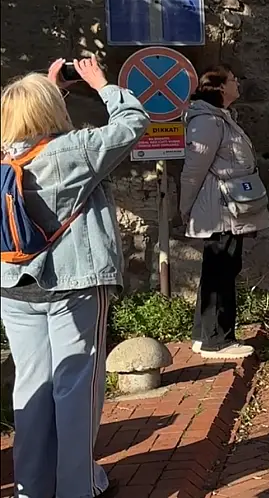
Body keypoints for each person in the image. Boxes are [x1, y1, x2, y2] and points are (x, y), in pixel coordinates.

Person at [1, 57, 148, 498]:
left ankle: (32, 489)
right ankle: (76, 488)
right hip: (74, 283)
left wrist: (49, 91)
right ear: (51, 109)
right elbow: (133, 122)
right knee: (76, 389)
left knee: (31, 386)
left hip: (13, 286)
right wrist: (102, 84)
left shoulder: (4, 157)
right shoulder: (75, 151)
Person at [181, 65, 269, 360]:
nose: (238, 83)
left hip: (229, 207)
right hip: (219, 210)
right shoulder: (207, 121)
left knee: (220, 269)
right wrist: (186, 207)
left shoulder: (220, 117)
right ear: (220, 87)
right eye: (233, 80)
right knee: (220, 271)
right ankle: (217, 340)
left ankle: (203, 335)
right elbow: (194, 170)